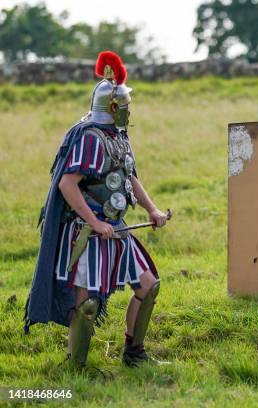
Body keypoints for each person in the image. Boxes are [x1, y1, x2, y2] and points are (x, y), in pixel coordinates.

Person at [25, 51, 168, 368]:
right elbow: (67, 184)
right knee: (86, 304)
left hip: (116, 227)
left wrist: (153, 210)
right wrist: (94, 222)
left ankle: (134, 354)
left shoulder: (119, 135)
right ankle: (76, 367)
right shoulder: (90, 137)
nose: (130, 110)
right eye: (126, 105)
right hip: (87, 232)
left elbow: (129, 177)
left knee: (149, 284)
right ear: (113, 107)